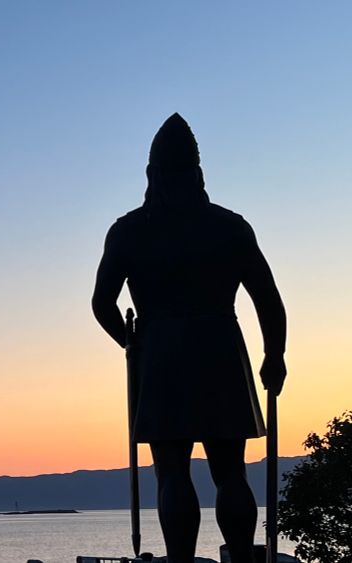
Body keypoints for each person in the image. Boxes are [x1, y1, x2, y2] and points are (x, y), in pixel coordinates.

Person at [91, 113, 287, 563]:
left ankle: (181, 560)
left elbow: (102, 303)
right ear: (197, 174)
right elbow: (269, 303)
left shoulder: (129, 231)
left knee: (172, 473)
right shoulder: (230, 226)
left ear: (152, 175)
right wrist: (274, 353)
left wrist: (129, 340)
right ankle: (240, 557)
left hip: (161, 355)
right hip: (220, 350)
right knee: (230, 473)